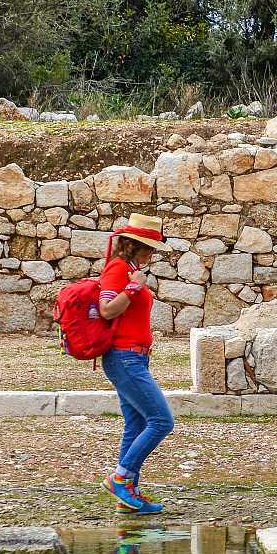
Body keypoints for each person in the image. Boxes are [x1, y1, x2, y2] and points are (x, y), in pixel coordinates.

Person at [98, 214, 174, 514]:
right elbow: (106, 310)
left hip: (134, 357)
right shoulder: (118, 268)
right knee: (161, 421)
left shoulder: (130, 270)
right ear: (135, 245)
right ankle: (120, 478)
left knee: (137, 423)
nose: (152, 253)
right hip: (124, 358)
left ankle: (128, 497)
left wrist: (135, 283)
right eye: (150, 248)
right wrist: (132, 288)